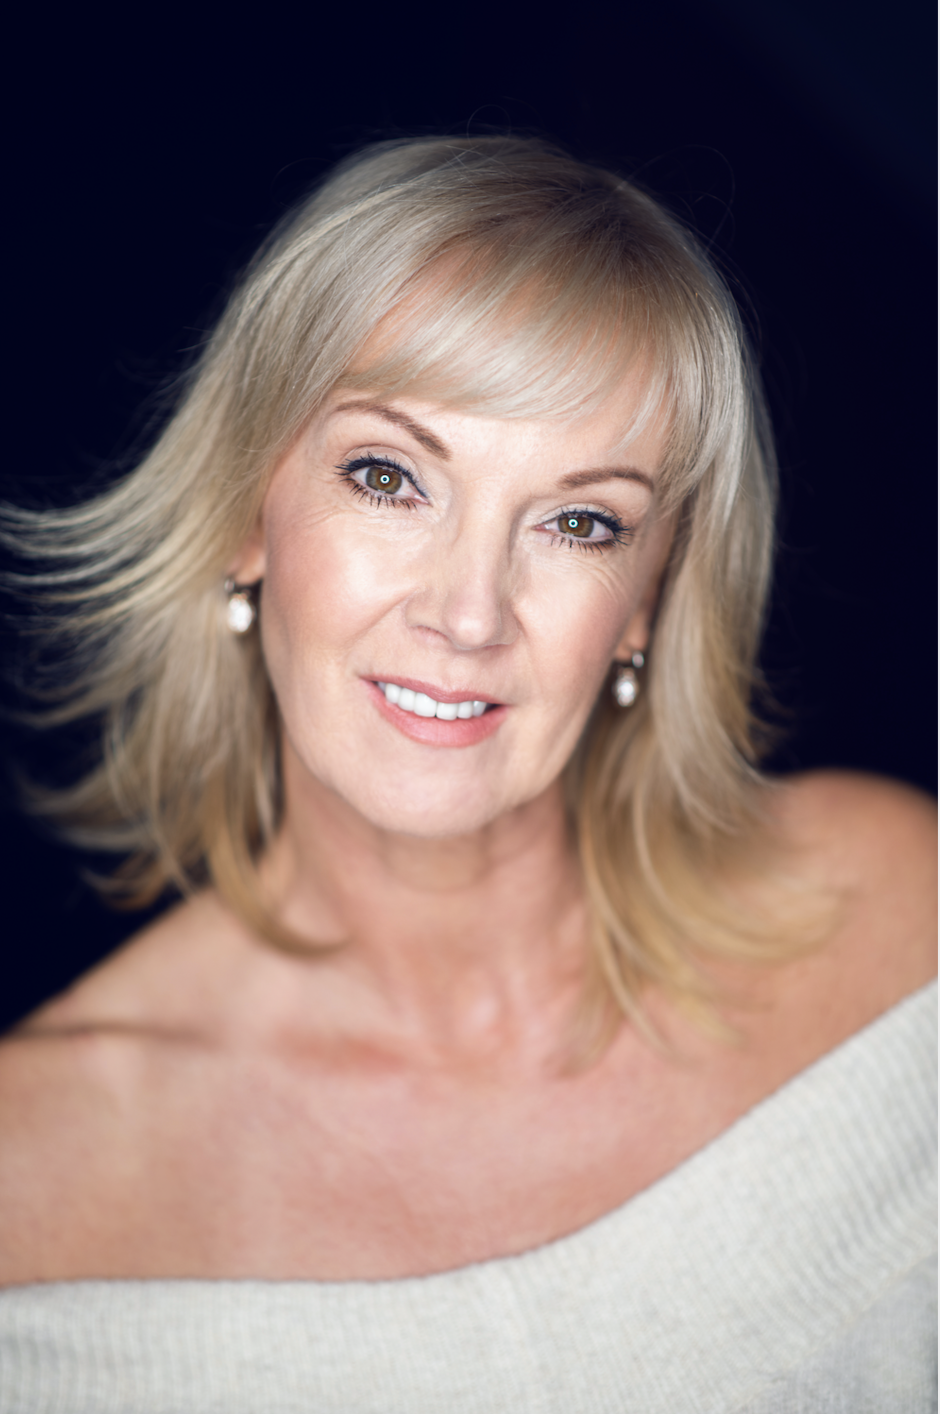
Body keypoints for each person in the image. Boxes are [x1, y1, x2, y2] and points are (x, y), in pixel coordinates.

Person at [0, 135, 934, 1411]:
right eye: (389, 477)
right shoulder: (30, 1191)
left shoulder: (896, 910)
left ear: (646, 604)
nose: (469, 612)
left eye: (579, 521)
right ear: (244, 516)